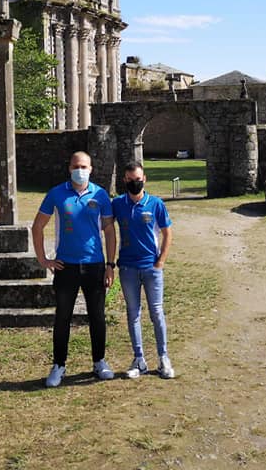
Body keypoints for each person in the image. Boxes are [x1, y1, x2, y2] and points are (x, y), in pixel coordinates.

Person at [31, 151, 117, 388]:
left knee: (97, 317)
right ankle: (59, 365)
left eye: (84, 166)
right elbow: (38, 226)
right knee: (62, 318)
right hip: (65, 266)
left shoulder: (100, 194)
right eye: (76, 166)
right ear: (69, 168)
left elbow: (109, 230)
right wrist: (44, 260)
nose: (80, 170)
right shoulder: (57, 193)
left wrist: (110, 265)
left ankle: (99, 361)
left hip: (95, 265)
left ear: (91, 169)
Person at [112, 160, 175, 379]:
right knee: (133, 314)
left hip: (151, 267)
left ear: (144, 179)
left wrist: (161, 262)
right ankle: (139, 359)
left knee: (156, 312)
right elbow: (106, 226)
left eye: (138, 180)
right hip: (128, 268)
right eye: (130, 181)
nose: (134, 184)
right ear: (124, 181)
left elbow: (167, 233)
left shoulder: (156, 204)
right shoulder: (118, 204)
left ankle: (163, 357)